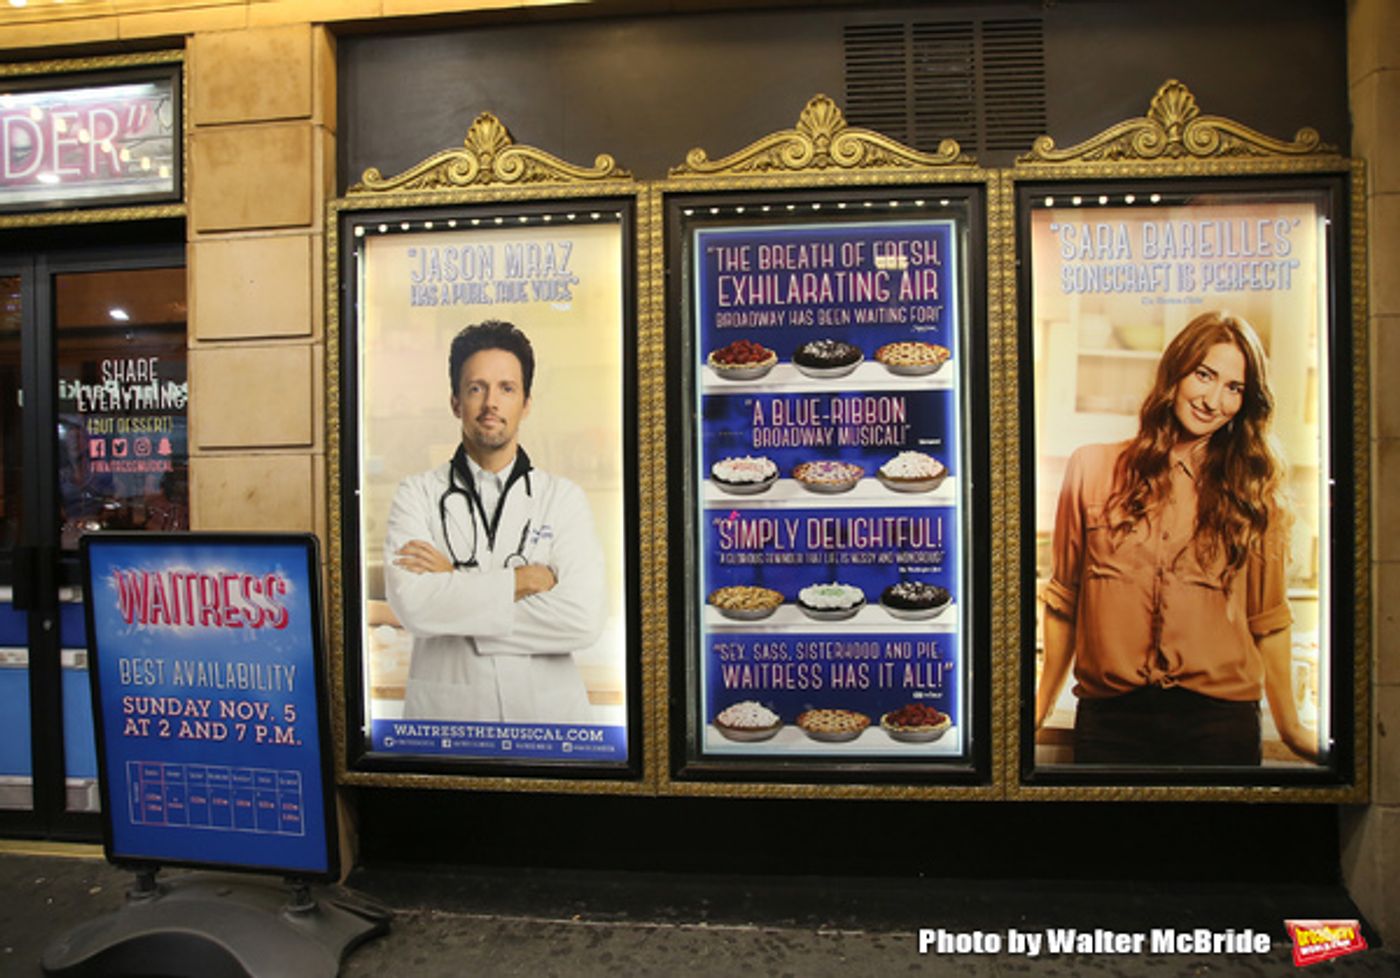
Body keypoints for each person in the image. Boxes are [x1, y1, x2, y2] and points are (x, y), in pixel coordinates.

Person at [1035, 311, 1318, 765]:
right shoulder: (1090, 469)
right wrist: (1041, 705)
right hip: (1111, 724)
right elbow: (1065, 602)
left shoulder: (1253, 491)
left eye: (1234, 388)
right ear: (1176, 371)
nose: (1213, 400)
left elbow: (1269, 622)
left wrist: (1292, 729)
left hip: (1219, 727)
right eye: (1203, 375)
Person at [385, 320, 605, 722]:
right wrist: (521, 583)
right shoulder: (416, 494)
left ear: (526, 403)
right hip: (450, 723)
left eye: (507, 388)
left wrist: (455, 585)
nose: (491, 403)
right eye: (476, 388)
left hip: (549, 723)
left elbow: (583, 620)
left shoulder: (564, 499)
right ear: (455, 402)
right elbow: (415, 607)